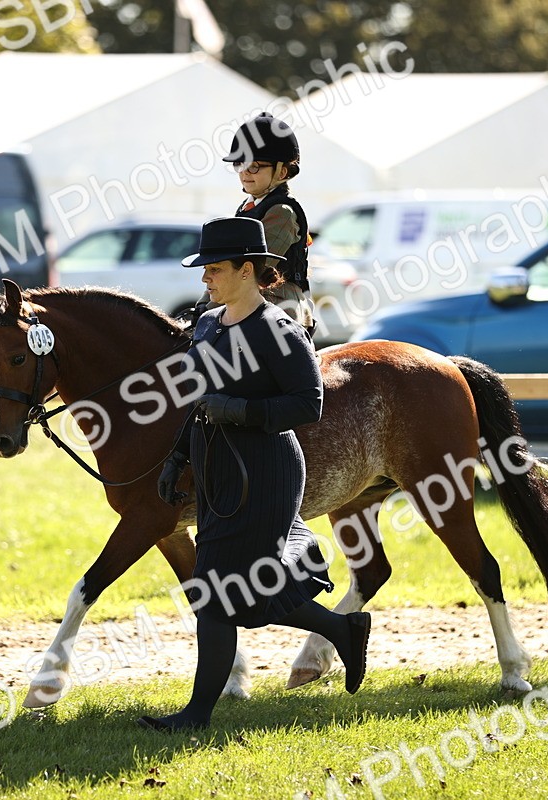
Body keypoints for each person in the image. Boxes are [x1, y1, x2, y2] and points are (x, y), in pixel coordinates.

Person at [139, 217, 370, 732]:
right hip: (214, 469)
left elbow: (308, 404)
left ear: (247, 270)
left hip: (266, 473)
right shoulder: (206, 325)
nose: (205, 277)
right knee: (238, 589)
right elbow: (198, 401)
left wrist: (239, 410)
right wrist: (177, 458)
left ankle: (197, 715)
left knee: (214, 594)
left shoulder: (277, 330)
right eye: (204, 269)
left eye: (215, 268)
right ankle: (343, 630)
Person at [192, 112, 317, 339]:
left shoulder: (282, 213)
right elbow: (226, 265)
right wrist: (202, 305)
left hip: (281, 307)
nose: (245, 173)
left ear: (282, 171)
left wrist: (210, 310)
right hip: (248, 304)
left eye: (255, 166)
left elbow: (251, 272)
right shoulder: (246, 208)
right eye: (239, 164)